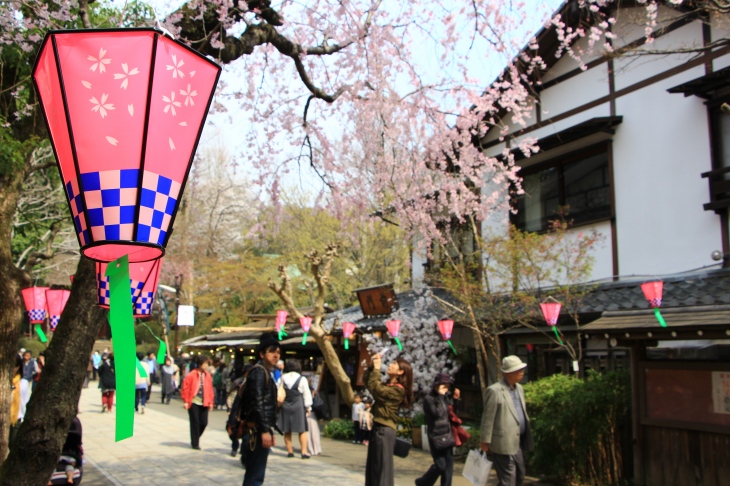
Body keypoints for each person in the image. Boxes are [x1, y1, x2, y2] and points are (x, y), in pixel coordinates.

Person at [480, 356, 534, 486]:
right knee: (508, 479)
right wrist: (485, 441)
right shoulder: (494, 391)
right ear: (509, 373)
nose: (522, 373)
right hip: (502, 442)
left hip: (517, 441)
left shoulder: (519, 388)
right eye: (519, 371)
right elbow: (488, 418)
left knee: (520, 475)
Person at [364, 354, 414, 486]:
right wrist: (371, 367)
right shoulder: (389, 386)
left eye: (394, 364)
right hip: (378, 429)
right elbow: (370, 384)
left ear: (400, 372)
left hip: (385, 432)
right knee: (373, 470)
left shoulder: (398, 391)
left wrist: (376, 369)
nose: (390, 365)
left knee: (383, 471)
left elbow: (376, 388)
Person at [238, 333, 280, 486]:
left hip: (259, 429)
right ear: (262, 353)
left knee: (255, 474)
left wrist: (269, 429)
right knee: (255, 476)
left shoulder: (265, 372)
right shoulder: (259, 372)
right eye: (272, 351)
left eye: (278, 352)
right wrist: (264, 430)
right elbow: (257, 403)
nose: (276, 355)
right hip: (255, 431)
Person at [416, 373, 460, 486]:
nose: (446, 388)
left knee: (448, 468)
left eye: (447, 386)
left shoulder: (445, 398)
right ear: (436, 385)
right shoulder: (429, 399)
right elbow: (438, 413)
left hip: (447, 434)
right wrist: (441, 395)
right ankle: (423, 482)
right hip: (436, 437)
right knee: (440, 465)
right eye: (443, 385)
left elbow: (451, 413)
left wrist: (455, 400)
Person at [278, 359, 312, 458]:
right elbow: (306, 394)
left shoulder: (283, 377)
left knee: (287, 429)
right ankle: (304, 452)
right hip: (298, 405)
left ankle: (290, 451)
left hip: (285, 404)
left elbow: (278, 390)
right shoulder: (302, 379)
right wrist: (308, 407)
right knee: (302, 429)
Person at [181, 354, 214, 450]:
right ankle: (195, 443)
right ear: (200, 364)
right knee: (195, 422)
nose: (206, 365)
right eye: (205, 363)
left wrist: (211, 402)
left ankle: (195, 437)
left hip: (204, 401)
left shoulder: (207, 375)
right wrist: (186, 401)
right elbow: (185, 388)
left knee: (204, 422)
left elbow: (210, 389)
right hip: (194, 401)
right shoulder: (191, 375)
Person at [10, 355, 23, 448]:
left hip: (16, 420)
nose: (13, 368)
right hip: (3, 418)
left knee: (13, 445)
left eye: (15, 365)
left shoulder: (23, 383)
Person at [307, 387, 322, 456]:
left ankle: (312, 449)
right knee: (314, 433)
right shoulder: (312, 394)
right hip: (311, 414)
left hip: (308, 414)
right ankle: (316, 449)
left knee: (309, 434)